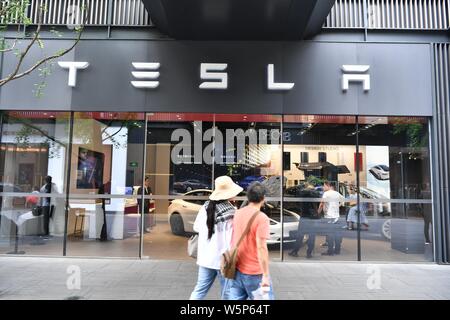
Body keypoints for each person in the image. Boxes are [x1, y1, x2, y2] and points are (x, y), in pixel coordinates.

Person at [190, 176, 243, 300]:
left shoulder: (205, 207)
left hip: (205, 258)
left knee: (199, 290)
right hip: (223, 260)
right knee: (228, 292)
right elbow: (232, 237)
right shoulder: (231, 212)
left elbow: (196, 228)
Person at [227, 182, 274, 300]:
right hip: (254, 273)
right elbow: (261, 247)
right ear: (263, 198)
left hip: (236, 269)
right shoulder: (261, 218)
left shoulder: (237, 213)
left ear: (248, 197)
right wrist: (266, 275)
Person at [289, 183, 319, 259]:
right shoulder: (316, 194)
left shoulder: (303, 193)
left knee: (300, 235)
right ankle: (309, 253)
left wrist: (303, 186)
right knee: (312, 236)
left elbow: (297, 191)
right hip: (313, 217)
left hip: (305, 216)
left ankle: (295, 251)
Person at [318, 181, 344, 256]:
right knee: (337, 234)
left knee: (330, 234)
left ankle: (330, 251)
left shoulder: (326, 193)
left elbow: (322, 203)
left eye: (324, 186)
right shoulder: (336, 193)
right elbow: (343, 201)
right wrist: (337, 206)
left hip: (329, 216)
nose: (323, 188)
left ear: (327, 186)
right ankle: (337, 250)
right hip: (336, 216)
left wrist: (318, 213)